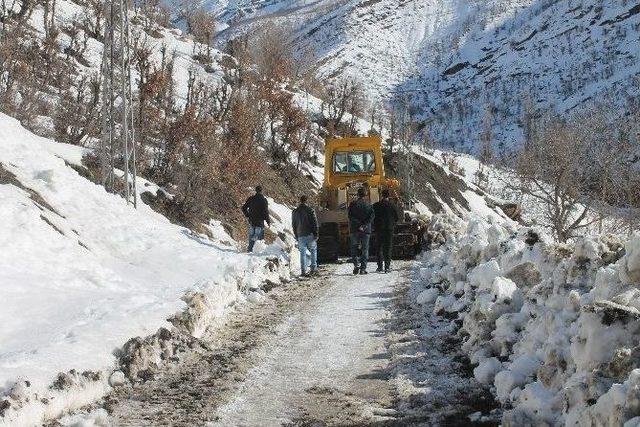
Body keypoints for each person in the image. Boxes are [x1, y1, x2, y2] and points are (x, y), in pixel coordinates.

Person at [348, 187, 374, 275]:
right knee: (365, 249)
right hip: (366, 230)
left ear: (357, 194)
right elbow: (371, 217)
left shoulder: (352, 204)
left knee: (354, 248)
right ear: (365, 195)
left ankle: (356, 265)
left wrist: (358, 225)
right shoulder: (369, 205)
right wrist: (364, 225)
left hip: (354, 229)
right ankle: (363, 269)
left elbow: (350, 216)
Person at [372, 189, 399, 273]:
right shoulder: (393, 205)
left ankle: (380, 266)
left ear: (381, 195)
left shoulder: (376, 205)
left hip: (379, 228)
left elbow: (372, 216)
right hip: (389, 229)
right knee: (388, 247)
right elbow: (396, 217)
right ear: (389, 196)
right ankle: (387, 267)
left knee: (379, 247)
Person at [292, 195, 319, 277]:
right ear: (306, 201)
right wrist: (316, 233)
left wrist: (296, 234)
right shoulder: (310, 210)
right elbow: (314, 222)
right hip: (310, 234)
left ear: (300, 201)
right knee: (313, 250)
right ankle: (313, 268)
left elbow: (294, 224)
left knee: (302, 254)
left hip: (300, 235)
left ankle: (303, 270)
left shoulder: (295, 211)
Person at [242, 186, 271, 252]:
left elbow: (244, 208)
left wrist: (248, 215)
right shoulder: (263, 200)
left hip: (251, 221)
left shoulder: (251, 198)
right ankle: (257, 254)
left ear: (255, 190)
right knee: (259, 240)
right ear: (261, 191)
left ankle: (249, 252)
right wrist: (268, 221)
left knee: (251, 239)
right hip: (260, 223)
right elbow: (266, 212)